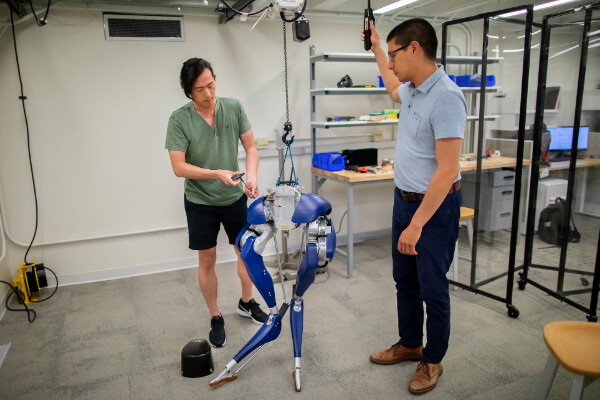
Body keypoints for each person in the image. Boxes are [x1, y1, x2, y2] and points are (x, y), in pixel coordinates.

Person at [362, 19, 466, 394]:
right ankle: (410, 344)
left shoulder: (447, 97)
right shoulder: (414, 89)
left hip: (433, 211)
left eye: (393, 55)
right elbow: (392, 89)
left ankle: (433, 360)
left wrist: (417, 224)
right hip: (404, 201)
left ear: (415, 49)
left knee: (432, 289)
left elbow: (447, 170)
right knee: (404, 282)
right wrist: (375, 46)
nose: (390, 64)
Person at [165, 58, 268, 349]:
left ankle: (246, 303)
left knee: (246, 253)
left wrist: (252, 176)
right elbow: (178, 167)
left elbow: (250, 147)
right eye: (200, 90)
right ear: (188, 91)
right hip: (200, 201)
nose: (208, 94)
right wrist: (215, 173)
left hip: (233, 197)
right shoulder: (179, 119)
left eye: (211, 85)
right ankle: (215, 316)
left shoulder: (233, 107)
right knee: (207, 260)